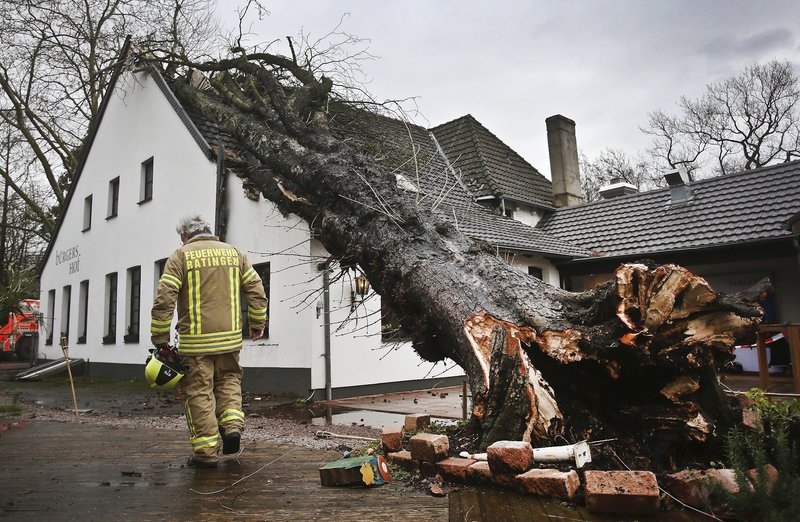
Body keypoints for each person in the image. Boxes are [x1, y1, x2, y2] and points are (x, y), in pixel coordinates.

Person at [151, 215, 267, 468]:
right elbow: (256, 291)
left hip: (196, 344)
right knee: (229, 381)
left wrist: (160, 338)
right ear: (207, 231)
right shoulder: (235, 254)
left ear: (185, 235)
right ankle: (233, 428)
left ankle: (206, 453)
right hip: (230, 340)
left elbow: (165, 299)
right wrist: (257, 325)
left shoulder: (180, 256)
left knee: (200, 391)